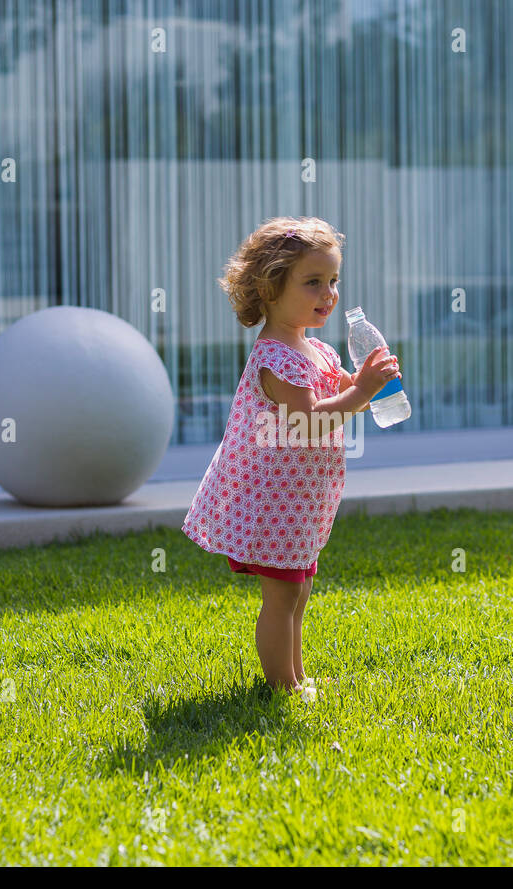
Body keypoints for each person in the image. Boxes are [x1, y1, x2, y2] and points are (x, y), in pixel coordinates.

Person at [181, 216, 400, 698]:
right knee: (281, 597)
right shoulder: (276, 357)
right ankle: (283, 687)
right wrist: (359, 390)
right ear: (270, 289)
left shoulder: (316, 349)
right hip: (273, 499)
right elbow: (310, 421)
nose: (329, 293)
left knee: (298, 591)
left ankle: (296, 676)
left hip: (300, 499)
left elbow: (343, 398)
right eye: (313, 282)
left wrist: (367, 386)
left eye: (333, 280)